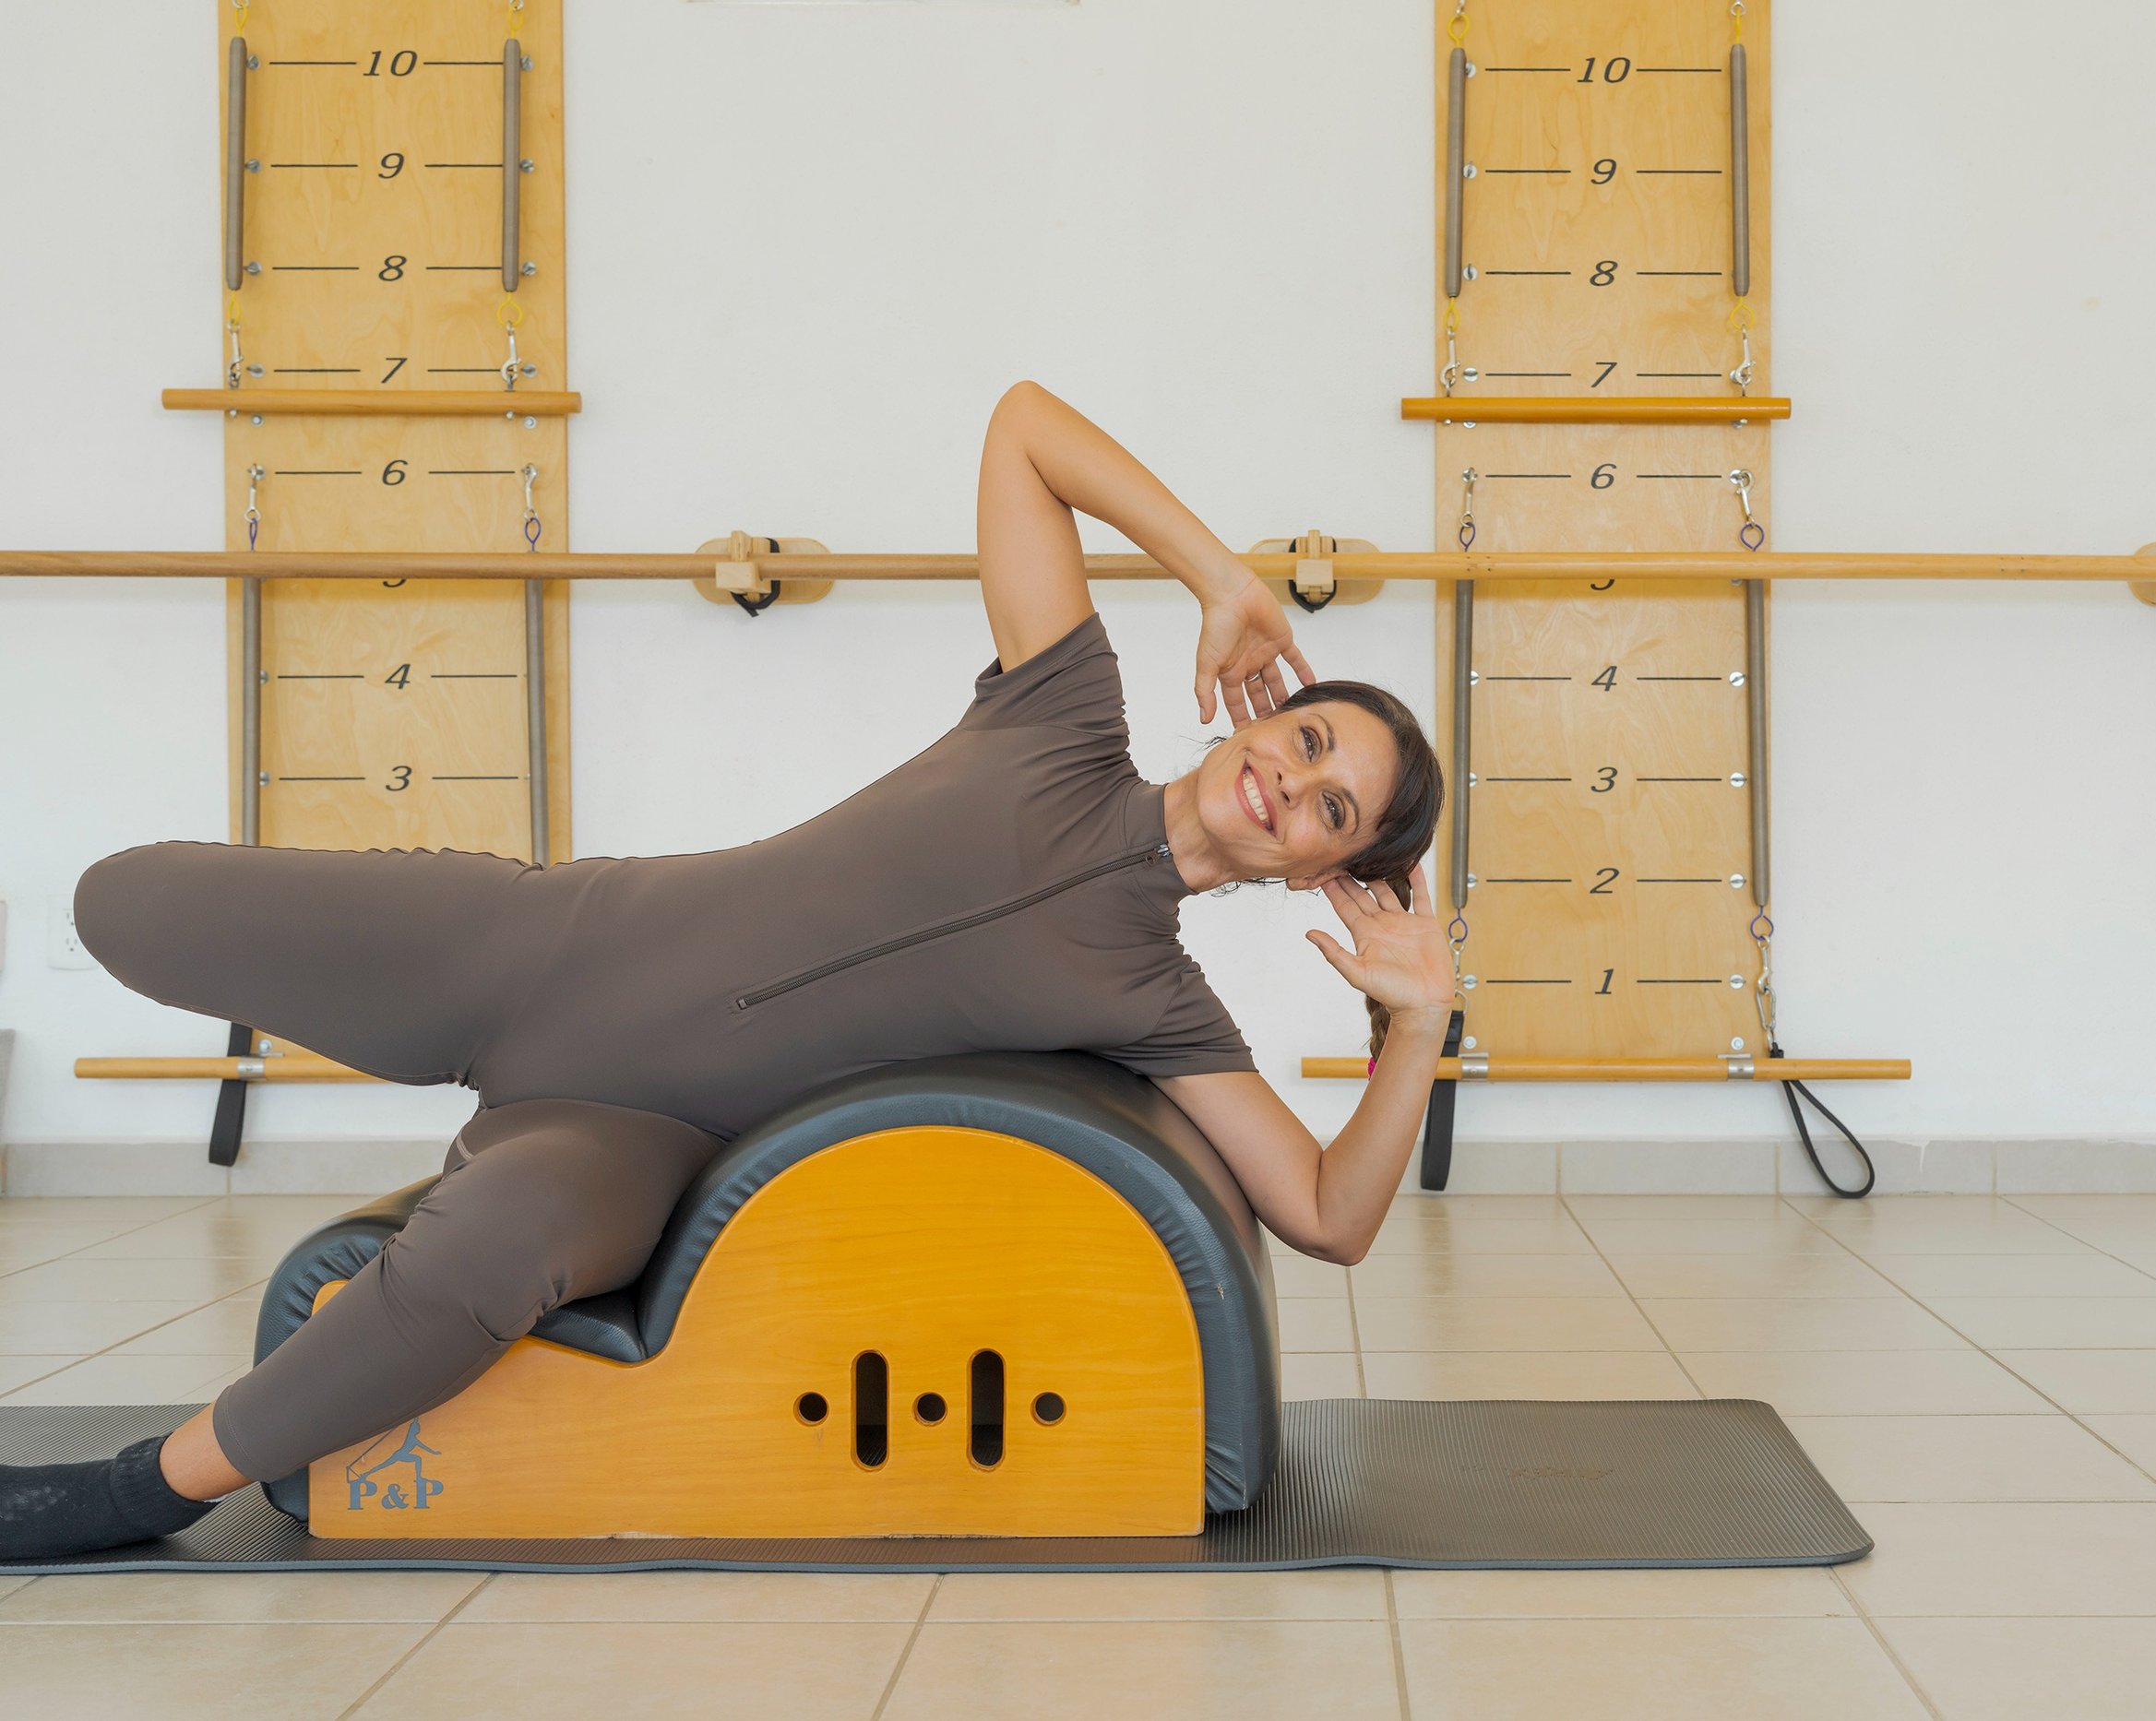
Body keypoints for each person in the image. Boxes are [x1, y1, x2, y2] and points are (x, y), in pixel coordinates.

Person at [0, 382, 1455, 1560]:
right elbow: (1023, 426)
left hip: (631, 1141)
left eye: (1333, 810)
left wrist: (1417, 1024)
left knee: (490, 1254)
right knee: (128, 904)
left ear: (1319, 869)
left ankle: (140, 1487)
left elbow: (1331, 1216)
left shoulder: (1160, 1002)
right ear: (1260, 711)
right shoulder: (1061, 711)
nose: (1293, 782)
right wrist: (1220, 573)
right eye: (1308, 737)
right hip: (537, 948)